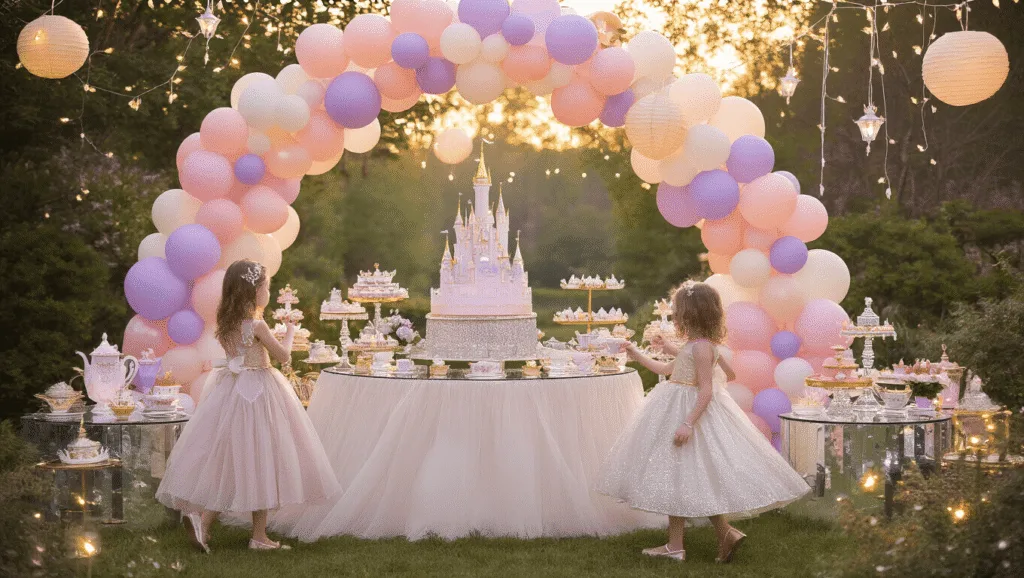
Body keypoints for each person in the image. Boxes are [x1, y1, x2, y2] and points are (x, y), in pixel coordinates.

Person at [597, 281, 809, 563]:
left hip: (687, 413)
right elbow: (679, 369)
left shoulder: (700, 348)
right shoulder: (701, 346)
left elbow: (707, 389)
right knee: (684, 476)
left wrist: (688, 423)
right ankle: (715, 536)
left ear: (689, 315)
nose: (675, 317)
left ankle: (681, 545)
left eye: (678, 312)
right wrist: (639, 354)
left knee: (677, 475)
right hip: (682, 406)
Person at [156, 260, 341, 552]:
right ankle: (257, 536)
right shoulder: (256, 324)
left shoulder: (227, 323)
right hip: (259, 393)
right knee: (262, 458)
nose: (268, 292)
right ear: (254, 290)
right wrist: (290, 331)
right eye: (266, 287)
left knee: (231, 459)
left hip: (231, 392)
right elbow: (283, 357)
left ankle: (204, 524)